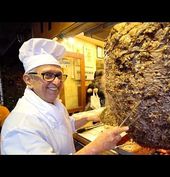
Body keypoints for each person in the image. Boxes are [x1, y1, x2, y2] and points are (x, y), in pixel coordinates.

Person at [0, 38, 128, 155]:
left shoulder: (53, 103)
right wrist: (97, 146)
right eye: (48, 75)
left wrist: (89, 117)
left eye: (59, 75)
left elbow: (64, 124)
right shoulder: (20, 126)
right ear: (28, 79)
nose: (56, 82)